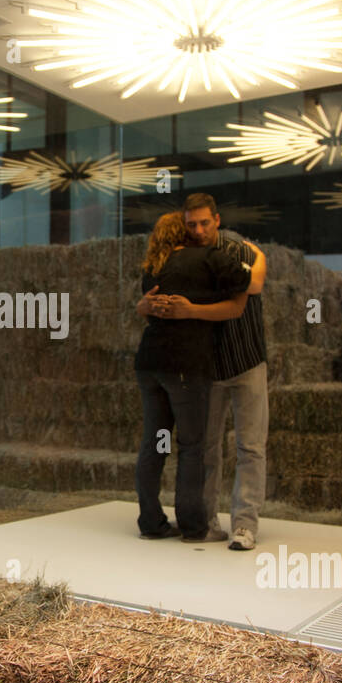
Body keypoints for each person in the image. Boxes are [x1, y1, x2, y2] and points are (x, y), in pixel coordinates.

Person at [142, 193, 268, 551]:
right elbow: (149, 301)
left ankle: (244, 525)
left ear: (216, 219)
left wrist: (258, 256)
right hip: (206, 365)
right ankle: (205, 520)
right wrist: (145, 305)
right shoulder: (181, 257)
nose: (197, 230)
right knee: (206, 447)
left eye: (203, 222)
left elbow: (248, 291)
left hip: (246, 358)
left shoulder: (238, 250)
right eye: (191, 224)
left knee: (250, 446)